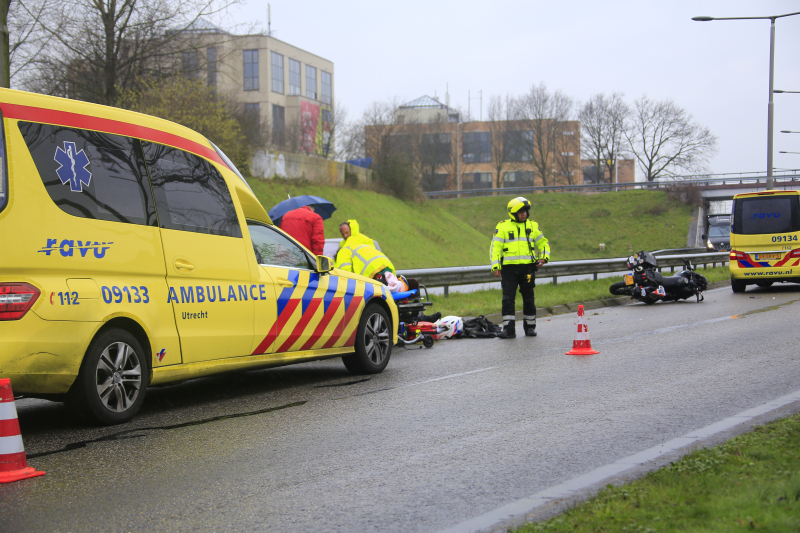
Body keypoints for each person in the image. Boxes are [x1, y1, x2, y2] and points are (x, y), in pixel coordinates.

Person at [490, 197, 550, 339]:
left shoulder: (533, 225)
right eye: (520, 211)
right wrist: (496, 266)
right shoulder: (503, 226)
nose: (524, 214)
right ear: (513, 213)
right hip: (509, 270)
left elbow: (543, 243)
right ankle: (509, 330)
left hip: (527, 269)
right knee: (507, 299)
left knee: (529, 298)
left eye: (525, 211)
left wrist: (544, 257)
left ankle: (530, 328)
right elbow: (495, 248)